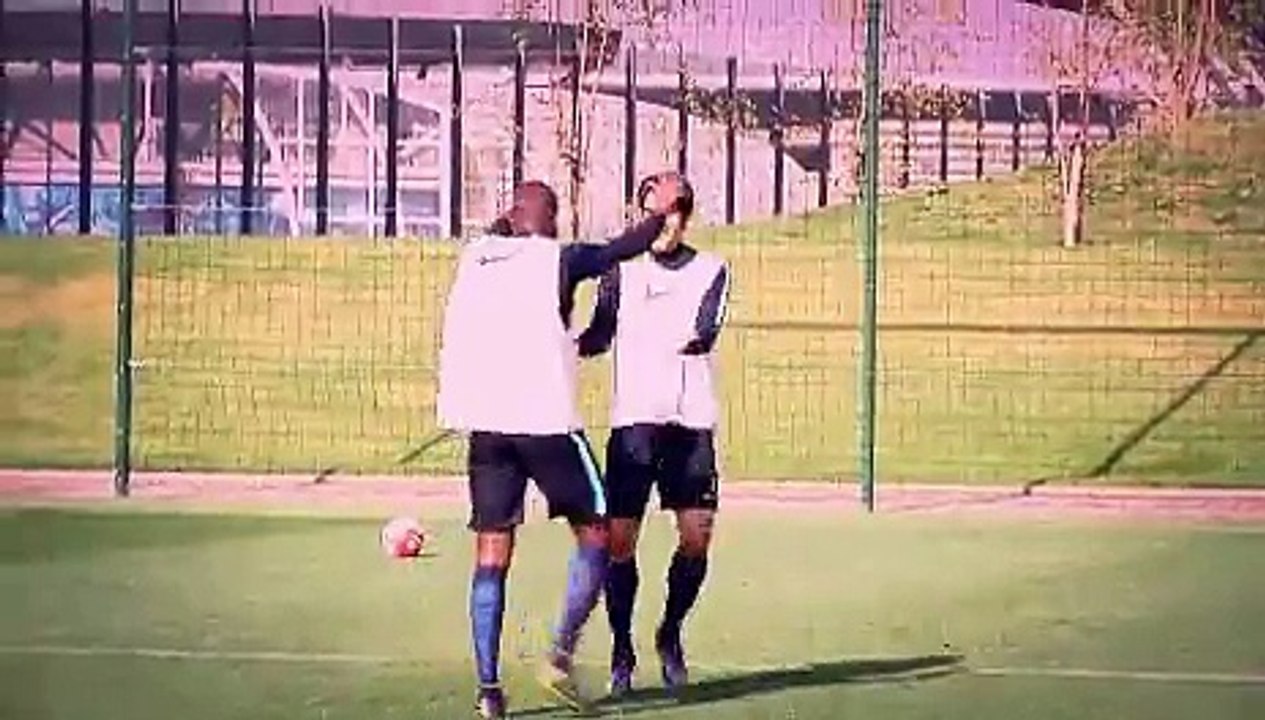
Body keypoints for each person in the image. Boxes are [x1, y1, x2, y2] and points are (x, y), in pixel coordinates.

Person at [436, 177, 689, 719]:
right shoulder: (558, 260)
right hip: (546, 424)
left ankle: (488, 690)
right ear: (546, 218)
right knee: (599, 529)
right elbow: (620, 250)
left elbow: (500, 236)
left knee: (491, 555)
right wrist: (660, 215)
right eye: (554, 213)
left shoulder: (475, 258)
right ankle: (559, 650)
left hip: (489, 430)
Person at [577, 172, 731, 697]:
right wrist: (560, 346)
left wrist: (660, 338)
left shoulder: (712, 271)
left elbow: (703, 331)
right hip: (634, 423)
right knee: (620, 542)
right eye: (661, 210)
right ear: (642, 215)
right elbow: (600, 333)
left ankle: (670, 633)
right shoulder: (620, 271)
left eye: (680, 209)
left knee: (696, 537)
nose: (671, 220)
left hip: (689, 424)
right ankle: (622, 649)